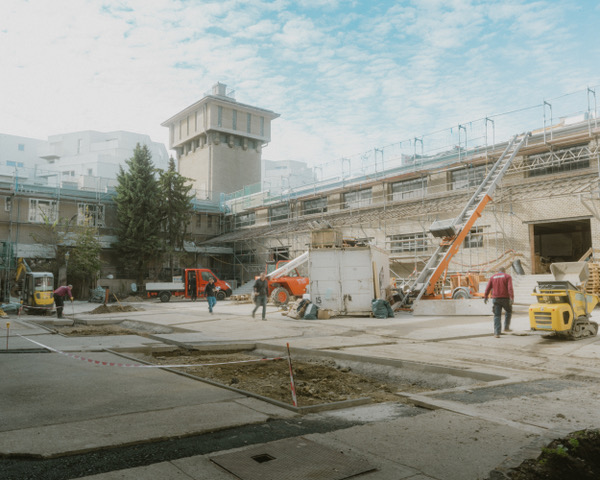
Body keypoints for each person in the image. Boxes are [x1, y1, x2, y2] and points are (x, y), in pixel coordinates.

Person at [484, 267, 514, 338]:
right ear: (504, 271)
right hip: (505, 299)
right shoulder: (507, 276)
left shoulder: (492, 277)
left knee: (497, 315)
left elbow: (487, 288)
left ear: (498, 271)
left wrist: (485, 296)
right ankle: (506, 328)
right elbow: (510, 288)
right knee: (508, 311)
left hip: (496, 299)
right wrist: (512, 298)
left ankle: (497, 333)